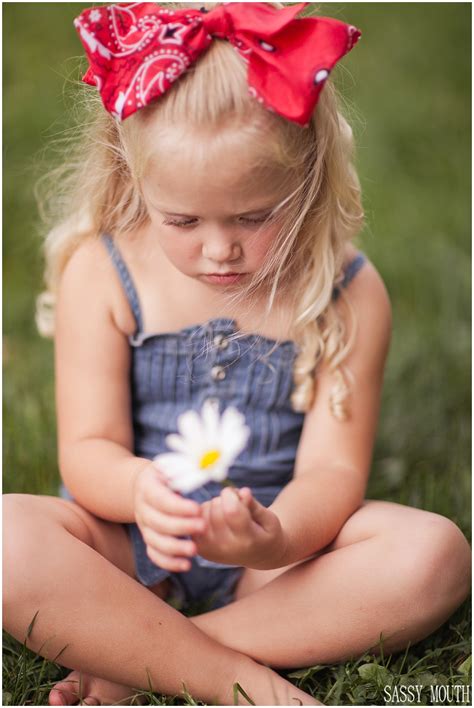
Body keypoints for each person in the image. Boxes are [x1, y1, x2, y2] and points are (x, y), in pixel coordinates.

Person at [3, 2, 471, 706]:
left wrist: (273, 538)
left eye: (255, 217)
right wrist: (136, 492)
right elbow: (90, 445)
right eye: (183, 221)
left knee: (435, 554)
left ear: (306, 180)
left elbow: (333, 471)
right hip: (124, 546)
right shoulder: (102, 272)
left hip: (272, 565)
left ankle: (139, 653)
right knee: (7, 537)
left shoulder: (347, 292)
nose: (220, 249)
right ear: (133, 178)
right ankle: (243, 680)